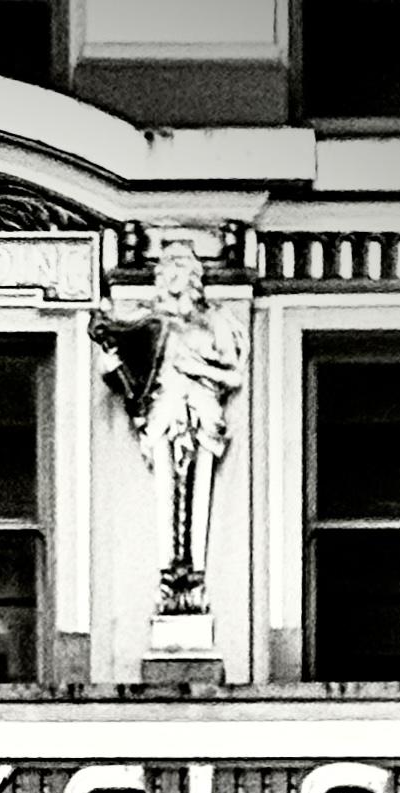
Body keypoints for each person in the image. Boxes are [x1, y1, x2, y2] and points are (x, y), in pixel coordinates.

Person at [93, 241, 250, 617]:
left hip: (201, 410)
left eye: (179, 267)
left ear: (193, 275)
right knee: (166, 485)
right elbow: (123, 370)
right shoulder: (147, 321)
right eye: (166, 268)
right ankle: (170, 571)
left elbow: (234, 372)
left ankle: (193, 572)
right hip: (162, 411)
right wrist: (109, 365)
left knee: (196, 485)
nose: (171, 275)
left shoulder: (215, 320)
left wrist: (197, 368)